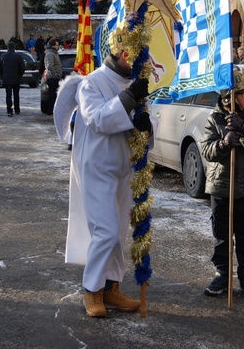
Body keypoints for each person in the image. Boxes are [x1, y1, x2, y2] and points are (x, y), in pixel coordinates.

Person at [54, 24, 155, 318]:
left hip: (125, 167)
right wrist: (128, 100)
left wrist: (147, 125)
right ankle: (92, 289)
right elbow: (98, 119)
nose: (140, 63)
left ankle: (112, 287)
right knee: (106, 232)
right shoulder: (92, 83)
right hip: (97, 167)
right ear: (124, 53)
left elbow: (145, 118)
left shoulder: (135, 82)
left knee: (119, 232)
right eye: (137, 57)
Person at [201, 68, 244, 298]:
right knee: (222, 234)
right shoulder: (214, 119)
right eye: (243, 94)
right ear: (230, 98)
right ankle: (222, 275)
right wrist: (223, 144)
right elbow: (207, 151)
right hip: (221, 186)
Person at [0, 41, 25, 116]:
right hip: (16, 78)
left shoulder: (2, 56)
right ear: (14, 47)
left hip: (6, 79)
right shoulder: (18, 56)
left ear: (7, 47)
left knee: (8, 95)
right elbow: (22, 68)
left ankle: (9, 110)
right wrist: (19, 75)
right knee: (16, 95)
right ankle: (17, 109)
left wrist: (2, 76)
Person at [44, 38, 62, 116]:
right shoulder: (50, 54)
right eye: (57, 45)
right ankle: (50, 111)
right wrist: (55, 75)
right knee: (52, 95)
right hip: (52, 78)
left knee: (55, 95)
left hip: (55, 77)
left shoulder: (55, 53)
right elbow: (50, 66)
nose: (58, 46)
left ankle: (54, 110)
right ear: (53, 46)